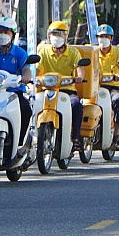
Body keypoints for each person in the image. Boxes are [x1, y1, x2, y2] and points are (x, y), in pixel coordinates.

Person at [37, 21, 86, 150]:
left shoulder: (73, 52)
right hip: (47, 90)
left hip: (67, 90)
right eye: (53, 34)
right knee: (32, 104)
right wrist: (32, 77)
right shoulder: (43, 51)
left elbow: (80, 68)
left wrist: (80, 76)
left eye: (60, 34)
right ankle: (31, 138)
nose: (56, 37)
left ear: (65, 36)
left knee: (76, 105)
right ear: (48, 36)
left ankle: (75, 137)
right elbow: (37, 69)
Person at [95, 24, 119, 146]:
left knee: (118, 100)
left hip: (114, 86)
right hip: (97, 86)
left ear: (111, 38)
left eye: (106, 36)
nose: (103, 39)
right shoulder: (93, 52)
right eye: (100, 36)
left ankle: (117, 133)